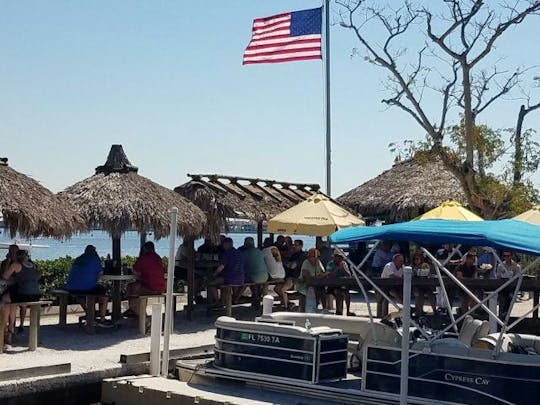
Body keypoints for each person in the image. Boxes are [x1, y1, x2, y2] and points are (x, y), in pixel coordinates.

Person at [2, 250, 41, 343]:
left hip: (24, 294)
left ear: (16, 256)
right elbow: (39, 274)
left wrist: (8, 262)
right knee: (12, 302)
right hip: (36, 295)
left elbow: (5, 276)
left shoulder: (15, 264)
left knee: (5, 300)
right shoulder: (33, 265)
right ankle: (10, 328)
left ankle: (6, 329)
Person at [65, 245, 109, 320]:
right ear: (94, 252)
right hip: (85, 288)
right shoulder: (94, 259)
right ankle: (102, 318)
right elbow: (100, 274)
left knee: (80, 295)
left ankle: (89, 312)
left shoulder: (78, 259)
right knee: (103, 293)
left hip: (71, 287)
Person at [126, 242, 166, 316]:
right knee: (138, 287)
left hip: (150, 288)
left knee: (131, 287)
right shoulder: (158, 257)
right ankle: (136, 311)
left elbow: (135, 271)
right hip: (161, 288)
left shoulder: (143, 258)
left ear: (144, 249)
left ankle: (137, 312)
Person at [209, 237, 244, 304]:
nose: (223, 246)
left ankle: (217, 301)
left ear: (226, 244)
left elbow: (221, 267)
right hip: (241, 278)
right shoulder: (239, 252)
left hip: (230, 279)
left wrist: (214, 274)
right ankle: (224, 300)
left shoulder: (227, 254)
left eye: (223, 244)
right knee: (222, 281)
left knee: (212, 284)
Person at [262, 237, 293, 309]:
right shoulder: (275, 249)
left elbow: (259, 260)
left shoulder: (265, 250)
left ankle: (259, 299)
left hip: (274, 275)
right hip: (282, 274)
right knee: (277, 288)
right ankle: (286, 302)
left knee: (262, 281)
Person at [326, 250, 354, 316]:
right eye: (338, 257)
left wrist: (344, 268)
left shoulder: (344, 264)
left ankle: (348, 311)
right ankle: (338, 311)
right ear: (335, 257)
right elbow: (329, 275)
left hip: (342, 284)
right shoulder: (330, 264)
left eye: (341, 257)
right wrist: (337, 268)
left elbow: (349, 275)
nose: (340, 259)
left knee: (347, 294)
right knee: (338, 293)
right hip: (332, 285)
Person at [240, 237, 268, 303]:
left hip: (255, 277)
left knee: (248, 280)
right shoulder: (259, 251)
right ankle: (257, 298)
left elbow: (242, 265)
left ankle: (236, 297)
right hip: (265, 276)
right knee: (255, 281)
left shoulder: (245, 253)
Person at [496, 250, 522, 317]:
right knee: (501, 300)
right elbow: (498, 276)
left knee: (510, 297)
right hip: (502, 286)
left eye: (508, 256)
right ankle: (501, 315)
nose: (506, 257)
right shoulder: (500, 266)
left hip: (512, 287)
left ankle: (506, 315)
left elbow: (518, 277)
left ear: (511, 256)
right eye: (505, 256)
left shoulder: (516, 266)